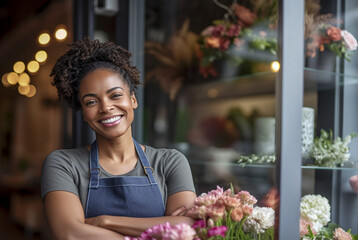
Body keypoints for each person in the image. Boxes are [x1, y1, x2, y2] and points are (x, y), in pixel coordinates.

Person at [41, 38, 197, 239]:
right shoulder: (63, 165)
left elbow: (188, 228)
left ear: (133, 100)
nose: (105, 107)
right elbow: (70, 233)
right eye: (91, 102)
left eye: (115, 95)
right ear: (83, 113)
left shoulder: (170, 162)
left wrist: (104, 221)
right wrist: (159, 231)